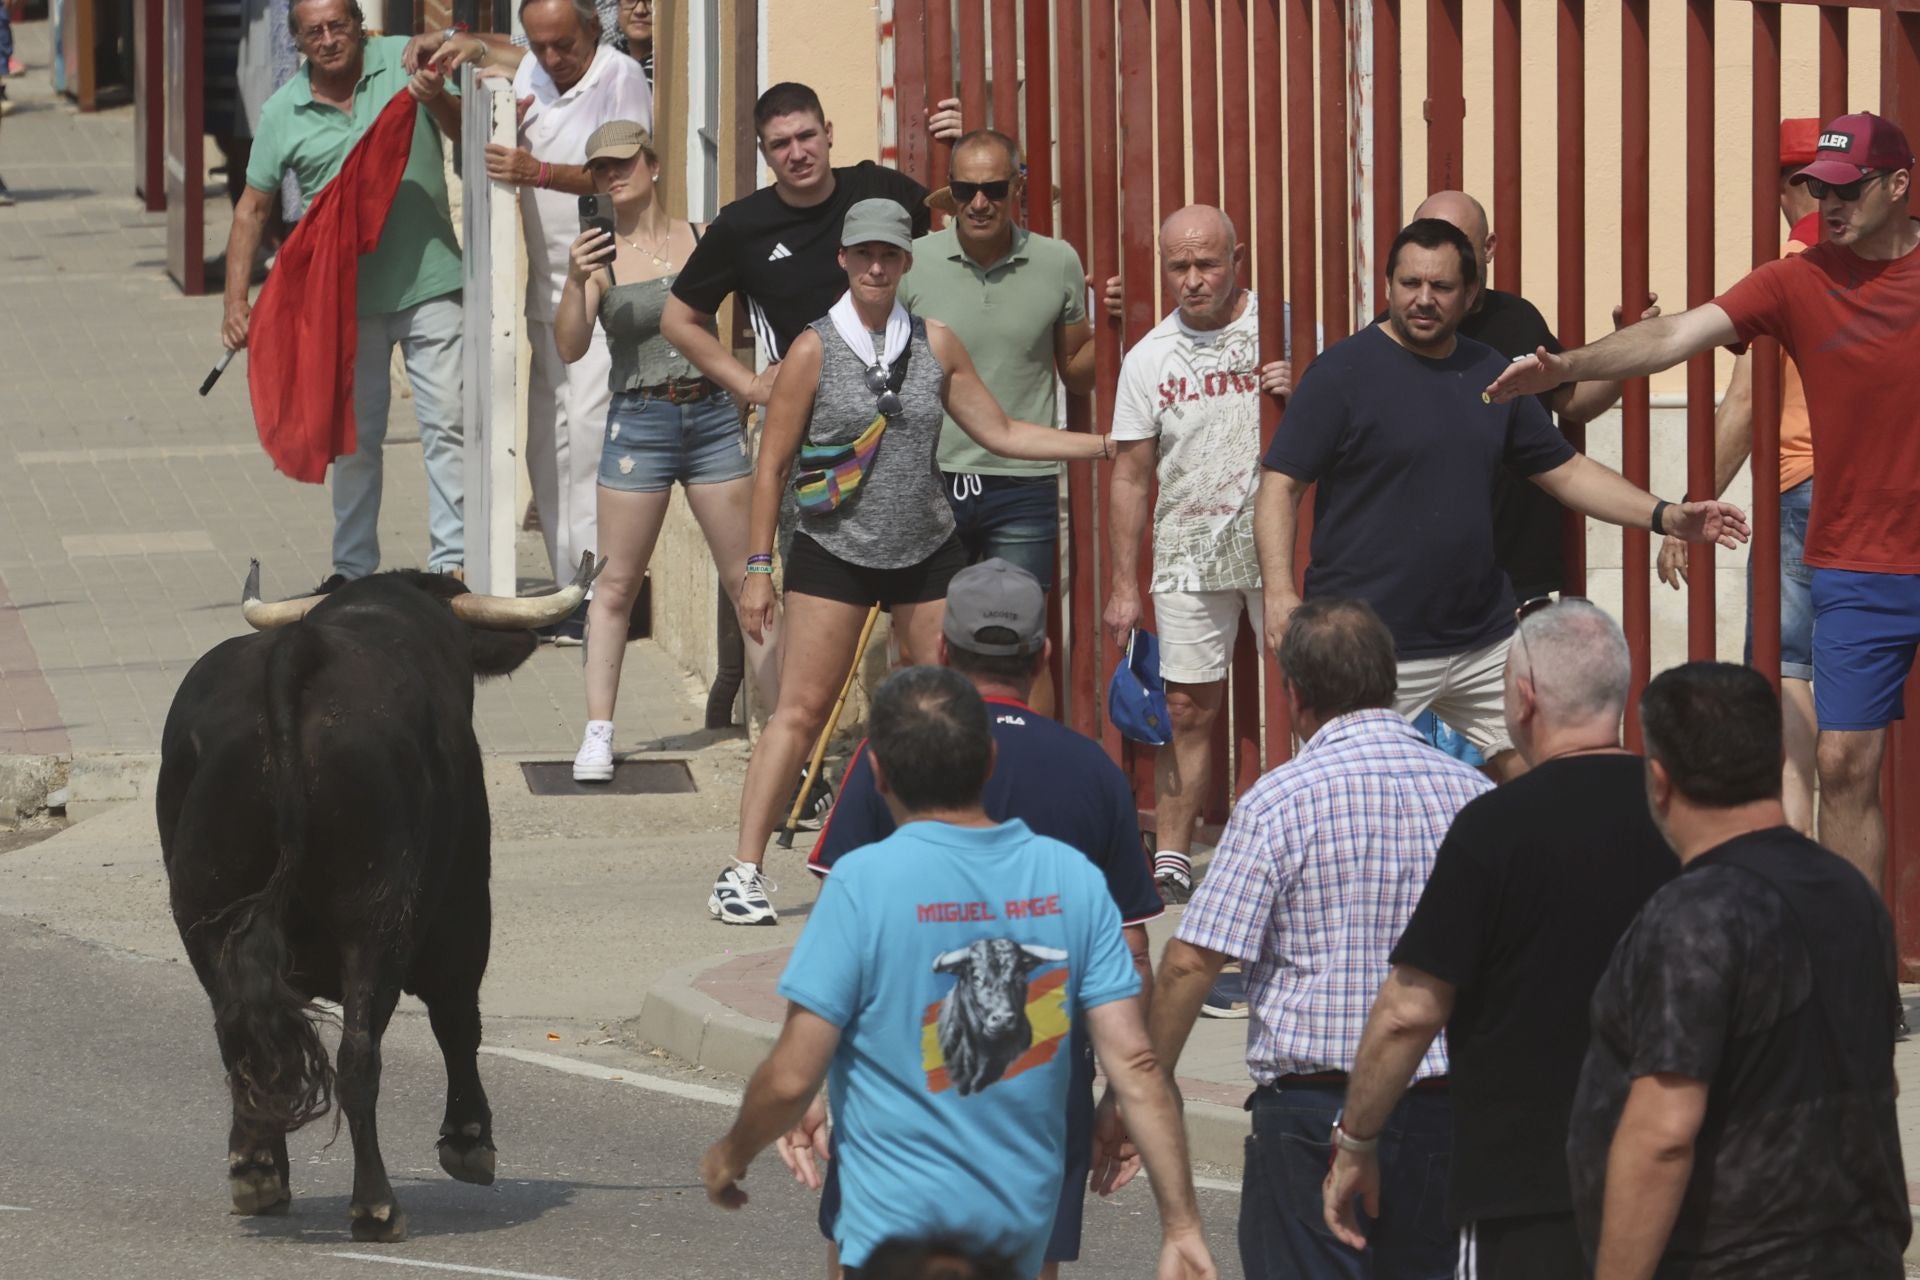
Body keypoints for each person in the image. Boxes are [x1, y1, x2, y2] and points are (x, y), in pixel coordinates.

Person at [1489, 113, 1917, 889]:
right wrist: (1566, 367)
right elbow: (1674, 335)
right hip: (1858, 560)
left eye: (1849, 191)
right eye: (1819, 190)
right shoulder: (1798, 277)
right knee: (1841, 761)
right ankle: (1863, 988)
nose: (1831, 206)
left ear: (1898, 185)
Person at [699, 666, 1216, 1280]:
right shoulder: (1070, 879)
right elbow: (1136, 1065)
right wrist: (1181, 1224)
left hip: (891, 1235)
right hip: (1017, 1235)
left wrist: (732, 1154)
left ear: (878, 773)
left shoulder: (864, 884)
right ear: (990, 760)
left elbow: (791, 1076)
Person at [716, 199, 1120, 927]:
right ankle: (741, 870)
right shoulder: (813, 348)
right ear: (843, 259)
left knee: (947, 707)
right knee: (801, 712)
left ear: (907, 264)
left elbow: (999, 432)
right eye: (864, 254)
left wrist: (1101, 446)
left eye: (890, 255)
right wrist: (756, 569)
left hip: (927, 548)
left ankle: (953, 852)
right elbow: (771, 467)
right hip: (834, 550)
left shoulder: (937, 342)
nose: (876, 267)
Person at [1260, 218, 1747, 780]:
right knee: (1347, 795)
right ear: (1388, 286)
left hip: (1481, 640)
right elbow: (1281, 483)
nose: (1423, 299)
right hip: (1369, 643)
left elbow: (1564, 469)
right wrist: (1278, 592)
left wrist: (1665, 516)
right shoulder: (1341, 373)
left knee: (1543, 781)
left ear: (1470, 295)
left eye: (1441, 287)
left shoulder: (1489, 371)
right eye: (1409, 283)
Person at [807, 557, 1162, 1279]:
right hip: (1041, 1068)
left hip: (897, 1072)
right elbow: (1133, 953)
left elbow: (839, 933)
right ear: (1043, 656)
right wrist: (1125, 1097)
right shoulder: (1094, 770)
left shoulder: (892, 748)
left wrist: (815, 1078)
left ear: (940, 651)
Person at [1123, 597, 1488, 1279]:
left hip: (1311, 1112)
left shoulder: (1281, 799)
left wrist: (1140, 1088)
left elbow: (1189, 964)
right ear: (1390, 679)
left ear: (1295, 694)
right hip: (1442, 1105)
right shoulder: (1469, 794)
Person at [1322, 600, 1677, 1280]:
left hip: (1526, 1189)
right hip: (1672, 1176)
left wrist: (1356, 1139)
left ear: (1524, 697)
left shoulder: (1493, 829)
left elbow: (1409, 1011)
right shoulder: (1681, 815)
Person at [1566, 662, 1907, 1278]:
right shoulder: (1852, 895)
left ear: (1660, 782)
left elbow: (1664, 1134)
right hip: (1857, 1254)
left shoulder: (1697, 914)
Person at [553, 121, 777, 781]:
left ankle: (782, 731)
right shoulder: (601, 254)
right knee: (616, 583)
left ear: (653, 164)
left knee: (750, 581)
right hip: (640, 420)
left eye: (623, 163)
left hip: (710, 416)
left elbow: (753, 309)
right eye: (599, 170)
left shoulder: (703, 238)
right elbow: (568, 346)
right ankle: (598, 732)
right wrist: (573, 280)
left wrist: (755, 384)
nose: (612, 177)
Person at [222, 0, 467, 591]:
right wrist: (234, 302)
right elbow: (253, 208)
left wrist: (433, 91)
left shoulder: (405, 59)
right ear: (299, 43)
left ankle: (452, 563)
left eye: (339, 26)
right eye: (315, 32)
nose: (330, 39)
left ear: (361, 24)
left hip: (430, 281)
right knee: (357, 442)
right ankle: (353, 570)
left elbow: (464, 129)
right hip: (345, 304)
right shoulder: (283, 110)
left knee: (448, 425)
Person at [1102, 204, 1292, 903]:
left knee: (1306, 694)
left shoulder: (1288, 331)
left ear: (1237, 259)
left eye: (1206, 263)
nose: (1192, 279)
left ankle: (1299, 840)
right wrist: (1125, 585)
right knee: (1185, 706)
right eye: (1178, 265)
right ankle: (1176, 853)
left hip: (1280, 544)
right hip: (1187, 548)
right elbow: (1129, 474)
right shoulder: (1148, 357)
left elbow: (1346, 422)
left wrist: (1298, 389)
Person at [1655, 118, 1824, 834]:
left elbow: (1749, 401)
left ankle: (1795, 871)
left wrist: (1688, 508)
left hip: (1804, 488)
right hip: (1885, 495)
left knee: (1790, 688)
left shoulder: (1793, 268)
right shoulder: (1892, 260)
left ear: (1789, 187)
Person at [897, 130, 1101, 718]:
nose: (979, 203)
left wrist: (1110, 327)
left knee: (1021, 644)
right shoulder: (915, 261)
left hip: (1022, 483)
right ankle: (932, 764)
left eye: (992, 189)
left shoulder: (1058, 260)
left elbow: (1079, 376)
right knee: (927, 647)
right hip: (930, 480)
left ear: (1017, 186)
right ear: (950, 193)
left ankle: (1025, 765)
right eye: (965, 190)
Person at [1411, 190, 1654, 606]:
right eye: (1431, 244)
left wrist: (1626, 347)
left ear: (1488, 249)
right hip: (1426, 573)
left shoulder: (1517, 318)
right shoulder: (1394, 333)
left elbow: (1574, 404)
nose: (1444, 265)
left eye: (1459, 248)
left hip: (1518, 572)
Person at [661, 81, 959, 402]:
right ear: (764, 152)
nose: (798, 154)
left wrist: (962, 146)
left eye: (806, 136)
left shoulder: (879, 189)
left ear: (828, 132)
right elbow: (677, 321)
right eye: (780, 144)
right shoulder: (741, 226)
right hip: (805, 412)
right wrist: (749, 386)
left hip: (898, 396)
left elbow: (962, 231)